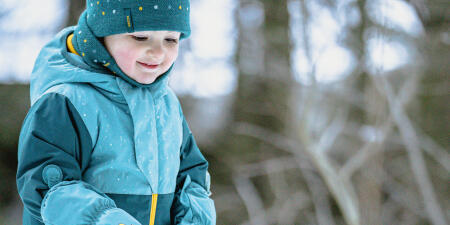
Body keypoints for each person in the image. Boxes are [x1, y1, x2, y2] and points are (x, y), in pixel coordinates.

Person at [16, 0, 216, 224]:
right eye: (140, 37)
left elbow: (191, 173)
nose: (158, 52)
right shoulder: (66, 102)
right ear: (102, 36)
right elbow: (49, 187)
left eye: (170, 39)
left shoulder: (166, 103)